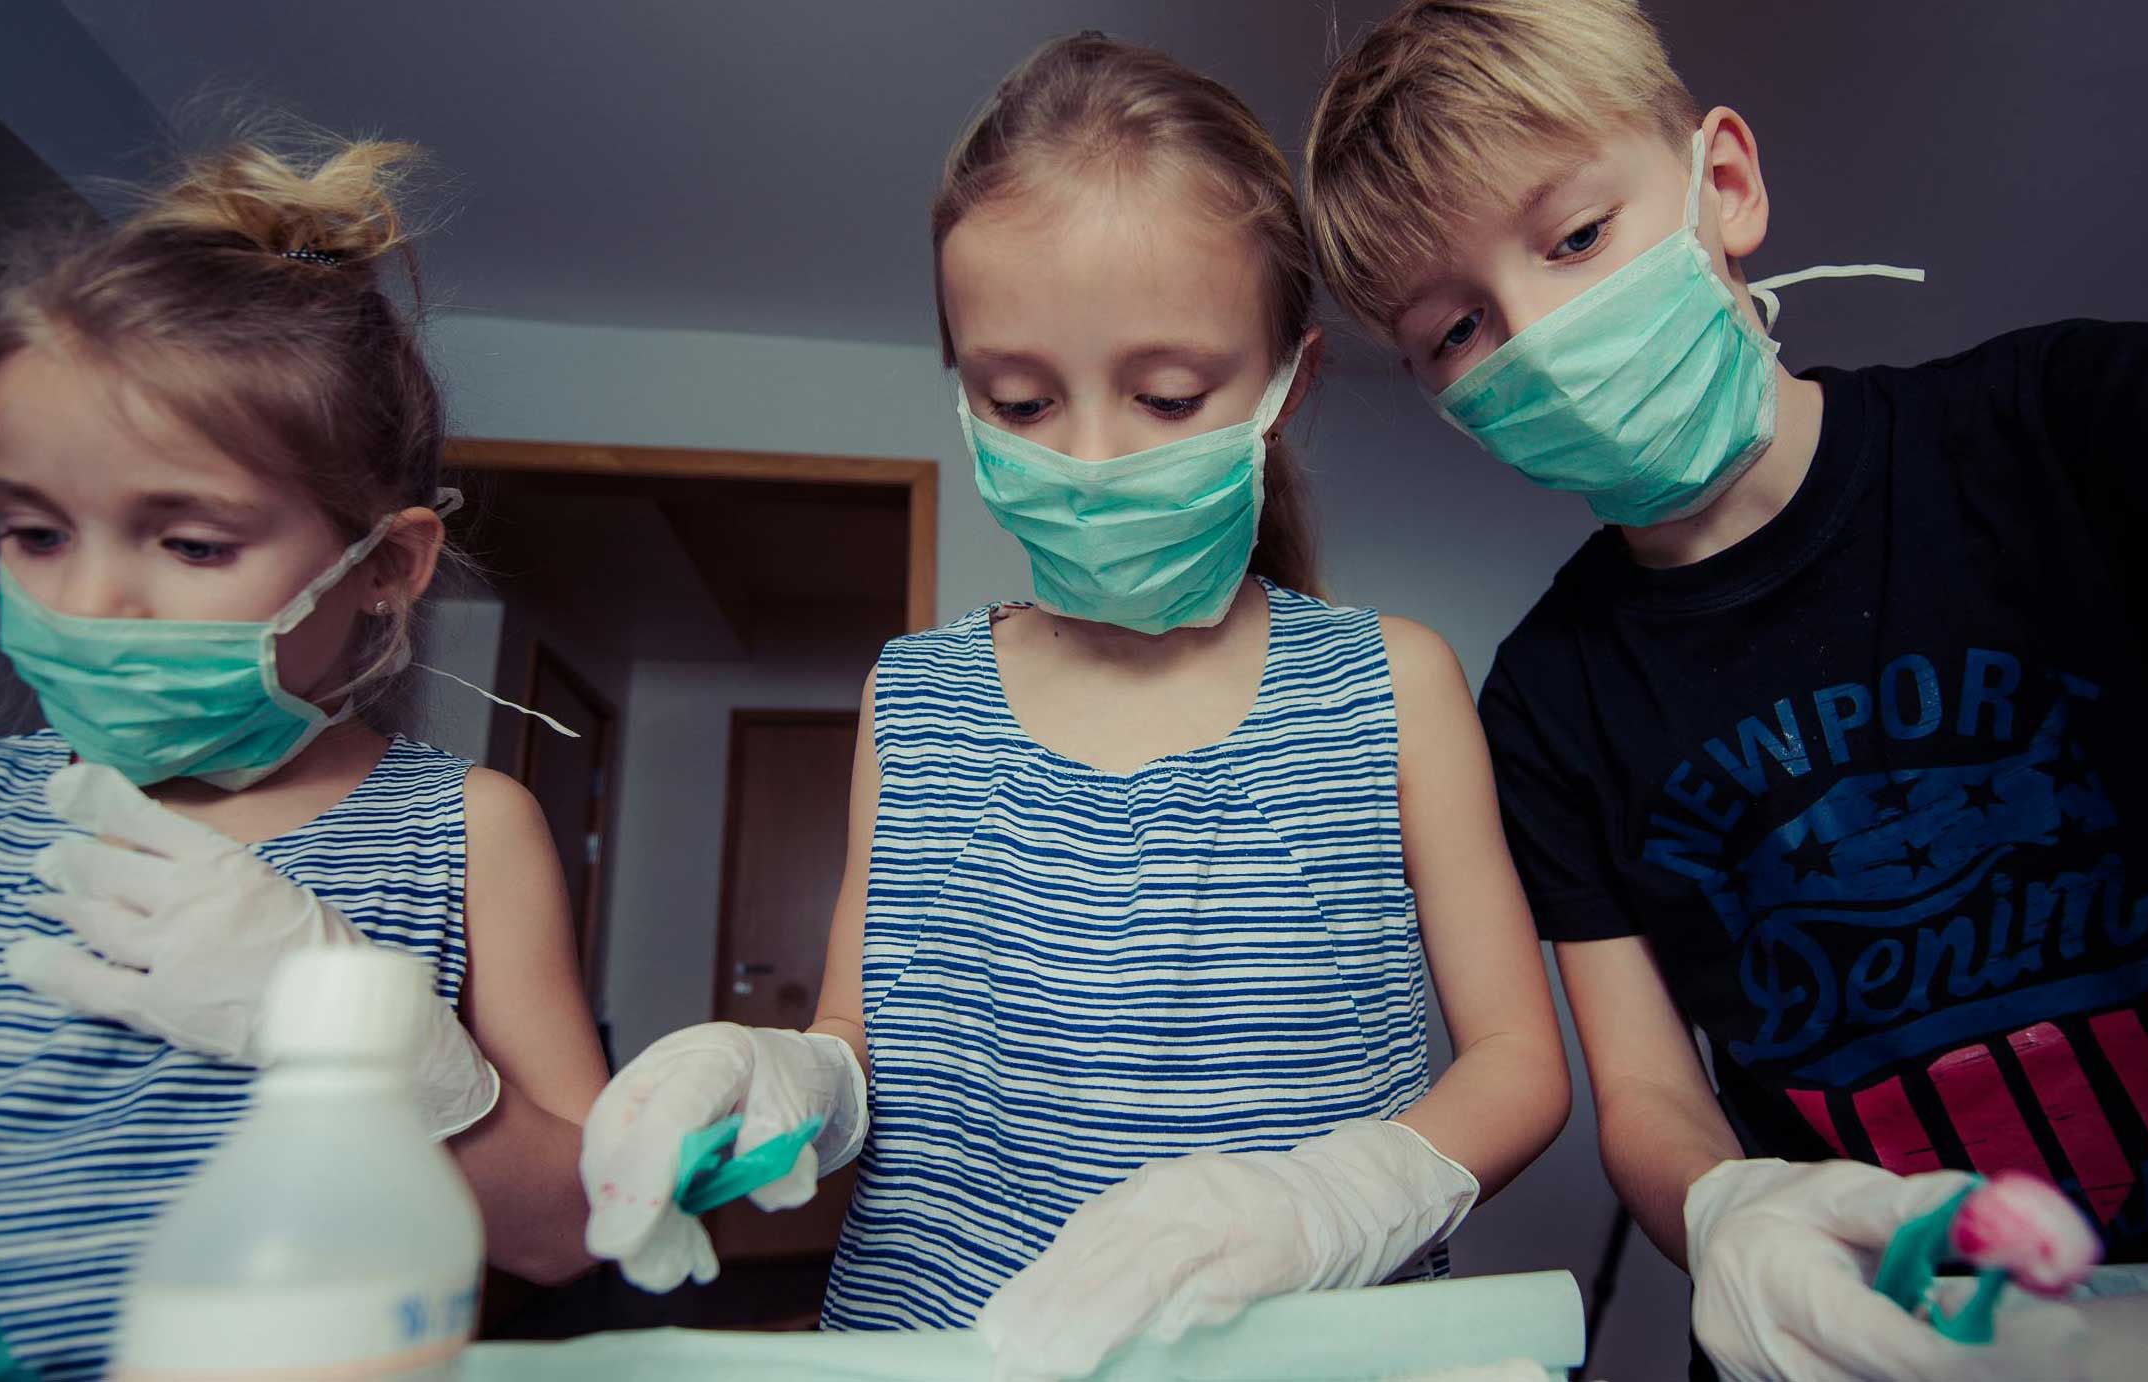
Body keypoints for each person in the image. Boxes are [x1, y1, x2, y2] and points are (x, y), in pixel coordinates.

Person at [579, 31, 1570, 1382]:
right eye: (1021, 399)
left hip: (1306, 1353)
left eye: (1167, 396)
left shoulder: (1388, 685)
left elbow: (1517, 1061)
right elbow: (856, 1031)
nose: (1090, 457)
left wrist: (1335, 1199)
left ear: (1290, 382)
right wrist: (787, 1082)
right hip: (943, 1350)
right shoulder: (914, 696)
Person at [1304, 2, 2148, 1378]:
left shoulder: (2074, 427)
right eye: (1456, 329)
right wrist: (1730, 1209)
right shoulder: (1546, 705)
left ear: (1722, 183)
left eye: (1575, 238)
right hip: (1867, 1329)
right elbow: (1641, 1087)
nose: (1540, 337)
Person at [0, 135, 605, 1378]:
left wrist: (390, 1062)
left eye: (192, 543)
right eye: (35, 530)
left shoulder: (465, 828)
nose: (94, 599)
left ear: (385, 566)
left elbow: (576, 1230)